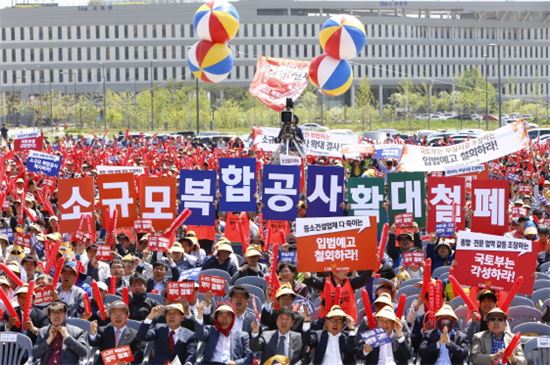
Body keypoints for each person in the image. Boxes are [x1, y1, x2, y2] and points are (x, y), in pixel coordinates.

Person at [89, 301, 144, 365]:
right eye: (114, 314)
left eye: (121, 314)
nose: (117, 317)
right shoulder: (102, 330)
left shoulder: (134, 335)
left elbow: (139, 355)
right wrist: (93, 334)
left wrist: (127, 362)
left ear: (127, 316)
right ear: (110, 316)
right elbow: (93, 342)